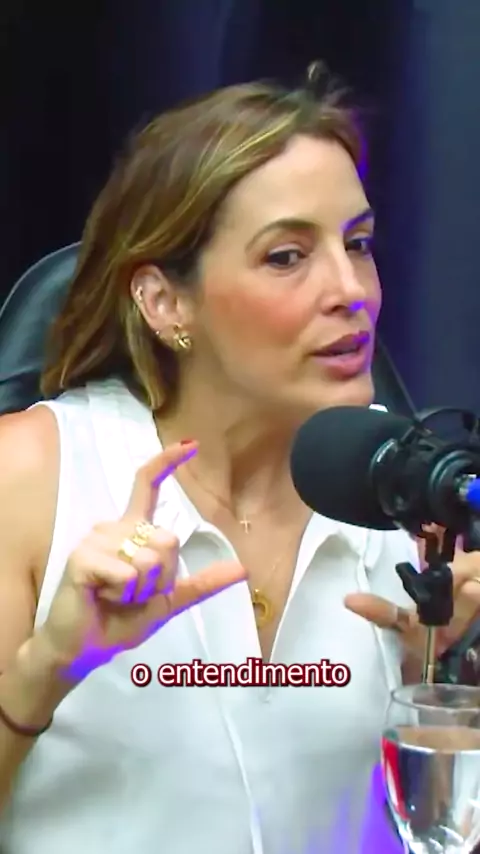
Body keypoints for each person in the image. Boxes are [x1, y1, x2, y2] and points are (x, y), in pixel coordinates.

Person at [0, 64, 479, 854]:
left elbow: (444, 824)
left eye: (358, 245)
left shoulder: (416, 489)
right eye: (287, 256)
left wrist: (450, 675)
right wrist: (46, 668)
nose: (351, 290)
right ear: (165, 302)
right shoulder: (28, 477)